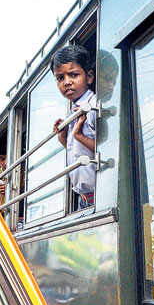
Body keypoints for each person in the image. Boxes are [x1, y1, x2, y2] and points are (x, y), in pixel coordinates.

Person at [51, 45, 97, 210]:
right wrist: (65, 138)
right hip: (84, 199)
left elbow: (106, 152)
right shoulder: (74, 112)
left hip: (99, 196)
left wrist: (78, 136)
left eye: (74, 75)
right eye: (60, 78)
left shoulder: (93, 107)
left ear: (89, 77)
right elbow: (83, 154)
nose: (67, 82)